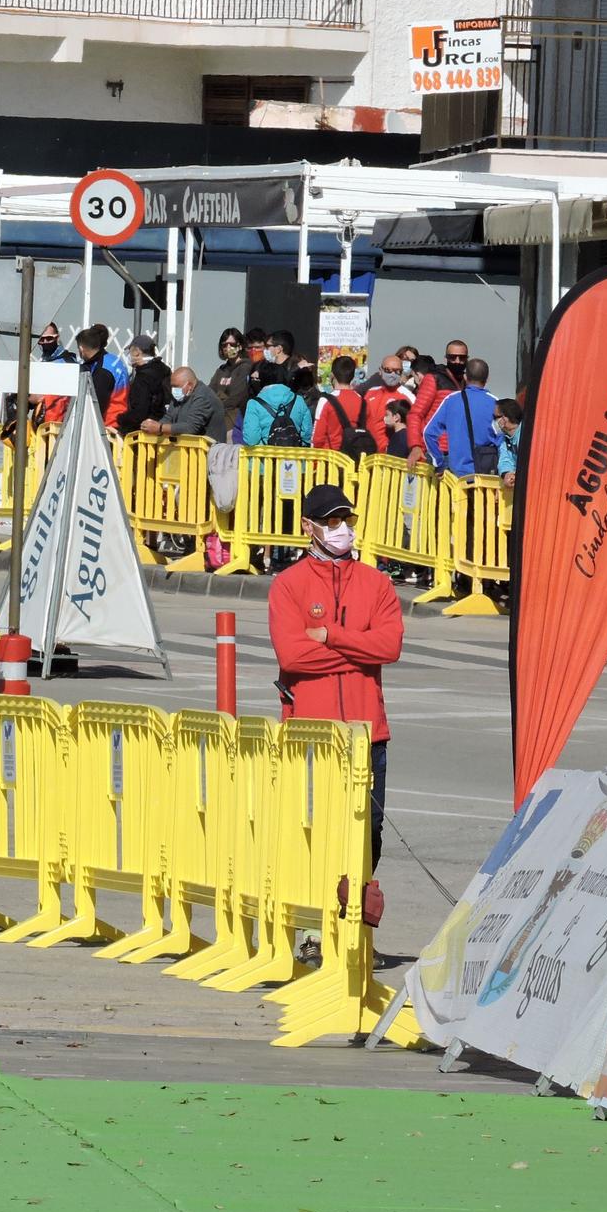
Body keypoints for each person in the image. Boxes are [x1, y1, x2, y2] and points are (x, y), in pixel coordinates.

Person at [268, 484, 401, 874]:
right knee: (314, 830)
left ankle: (351, 916)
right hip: (313, 732)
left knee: (370, 831)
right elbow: (292, 655)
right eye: (332, 521)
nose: (342, 528)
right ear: (309, 526)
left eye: (347, 519)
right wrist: (360, 652)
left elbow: (390, 646)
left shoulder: (377, 583)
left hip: (368, 733)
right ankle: (315, 926)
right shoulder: (288, 585)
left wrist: (332, 636)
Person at [420, 357, 498, 476]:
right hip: (486, 476)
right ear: (487, 379)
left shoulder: (451, 400)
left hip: (456, 475)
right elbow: (502, 440)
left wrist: (439, 462)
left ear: (465, 377)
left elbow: (428, 433)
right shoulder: (495, 403)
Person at [310, 356, 373, 458]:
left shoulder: (325, 401)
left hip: (331, 461)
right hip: (356, 461)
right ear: (352, 376)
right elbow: (370, 431)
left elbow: (317, 438)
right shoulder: (363, 402)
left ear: (332, 375)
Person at [240, 362, 313, 448]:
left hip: (265, 459)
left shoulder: (254, 403)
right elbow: (307, 435)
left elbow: (252, 439)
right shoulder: (299, 400)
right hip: (295, 457)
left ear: (262, 379)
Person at [144, 365, 225, 441]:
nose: (173, 390)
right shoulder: (181, 396)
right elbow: (169, 417)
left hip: (209, 450)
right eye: (172, 386)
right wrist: (152, 426)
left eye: (176, 386)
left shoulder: (203, 397)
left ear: (189, 385)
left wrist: (160, 428)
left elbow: (191, 427)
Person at [117, 334, 169, 436]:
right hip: (161, 427)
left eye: (130, 352)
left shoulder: (143, 378)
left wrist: (120, 419)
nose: (129, 356)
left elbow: (139, 412)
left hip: (143, 433)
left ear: (137, 353)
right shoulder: (164, 369)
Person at [208, 327, 251, 437]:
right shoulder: (221, 370)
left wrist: (219, 398)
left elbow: (237, 397)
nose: (228, 348)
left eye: (232, 344)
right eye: (224, 345)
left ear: (240, 346)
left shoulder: (246, 367)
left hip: (234, 421)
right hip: (217, 419)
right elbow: (209, 393)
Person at [493, 397, 524, 487]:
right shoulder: (505, 439)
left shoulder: (527, 435)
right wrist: (507, 474)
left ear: (505, 418)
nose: (494, 421)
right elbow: (504, 460)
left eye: (495, 417)